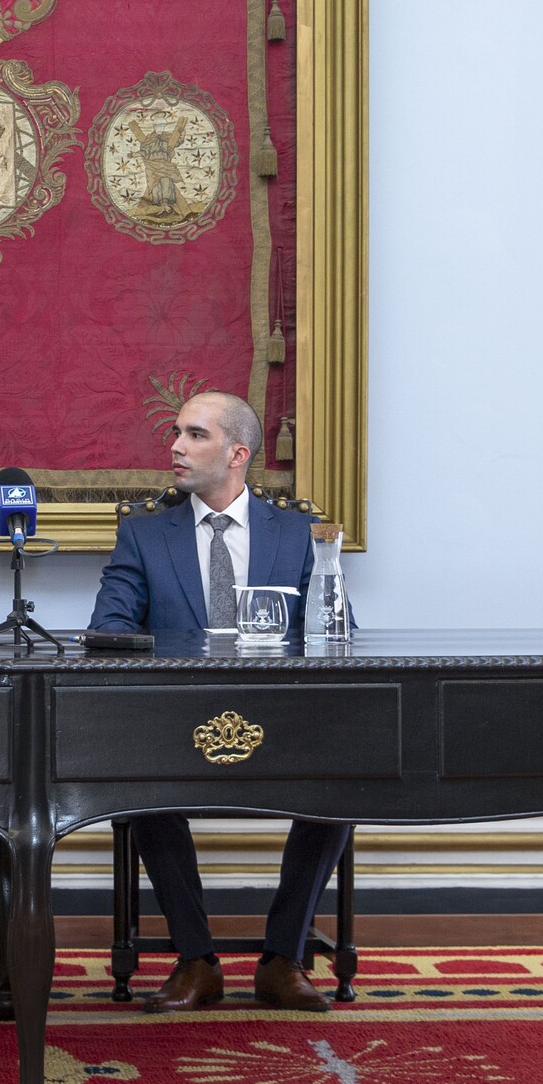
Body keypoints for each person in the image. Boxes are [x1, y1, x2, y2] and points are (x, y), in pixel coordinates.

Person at [88, 390, 351, 1013]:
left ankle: (283, 958)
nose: (176, 447)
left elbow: (335, 633)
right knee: (142, 787)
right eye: (176, 433)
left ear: (238, 453)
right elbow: (109, 631)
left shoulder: (298, 535)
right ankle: (196, 960)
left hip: (281, 723)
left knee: (345, 784)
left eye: (194, 435)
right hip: (177, 725)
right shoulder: (144, 535)